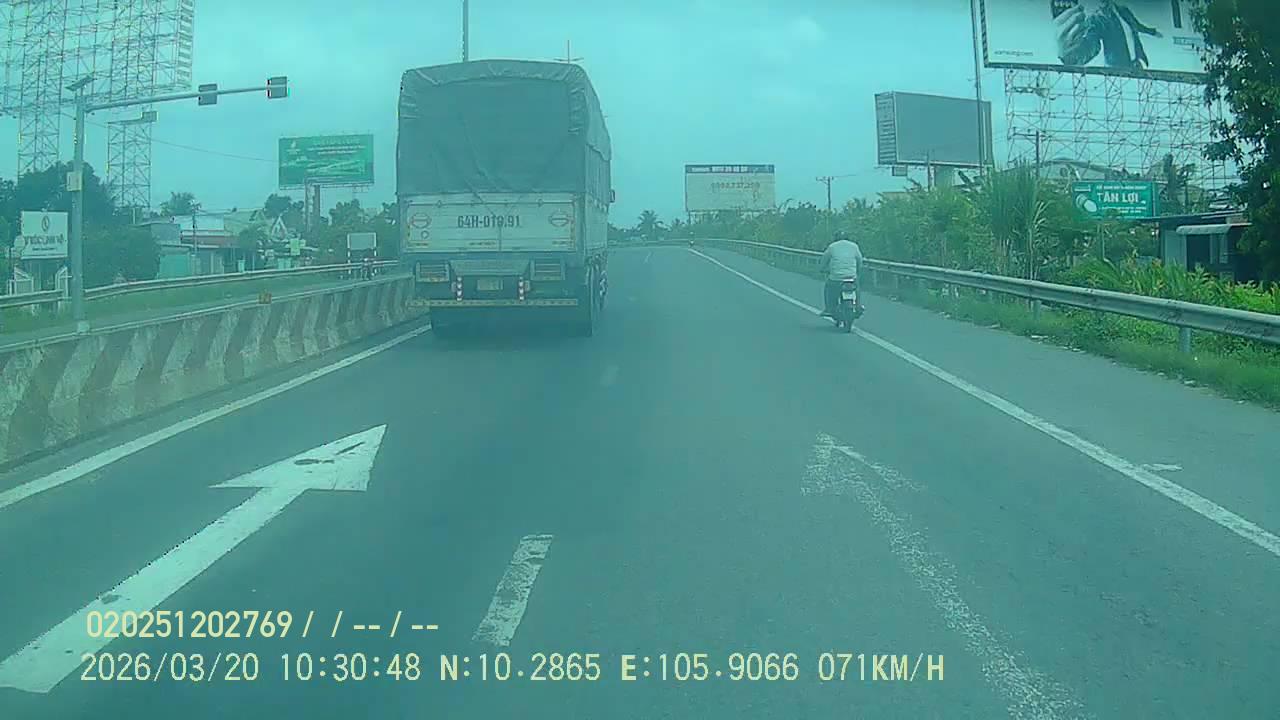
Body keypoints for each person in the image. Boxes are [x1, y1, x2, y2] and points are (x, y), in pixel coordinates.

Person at [819, 231, 864, 318]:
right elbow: (859, 260)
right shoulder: (854, 246)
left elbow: (824, 260)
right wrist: (857, 271)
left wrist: (822, 269)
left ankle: (829, 308)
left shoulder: (832, 247)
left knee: (829, 289)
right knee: (857, 288)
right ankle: (858, 306)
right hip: (851, 276)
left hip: (836, 277)